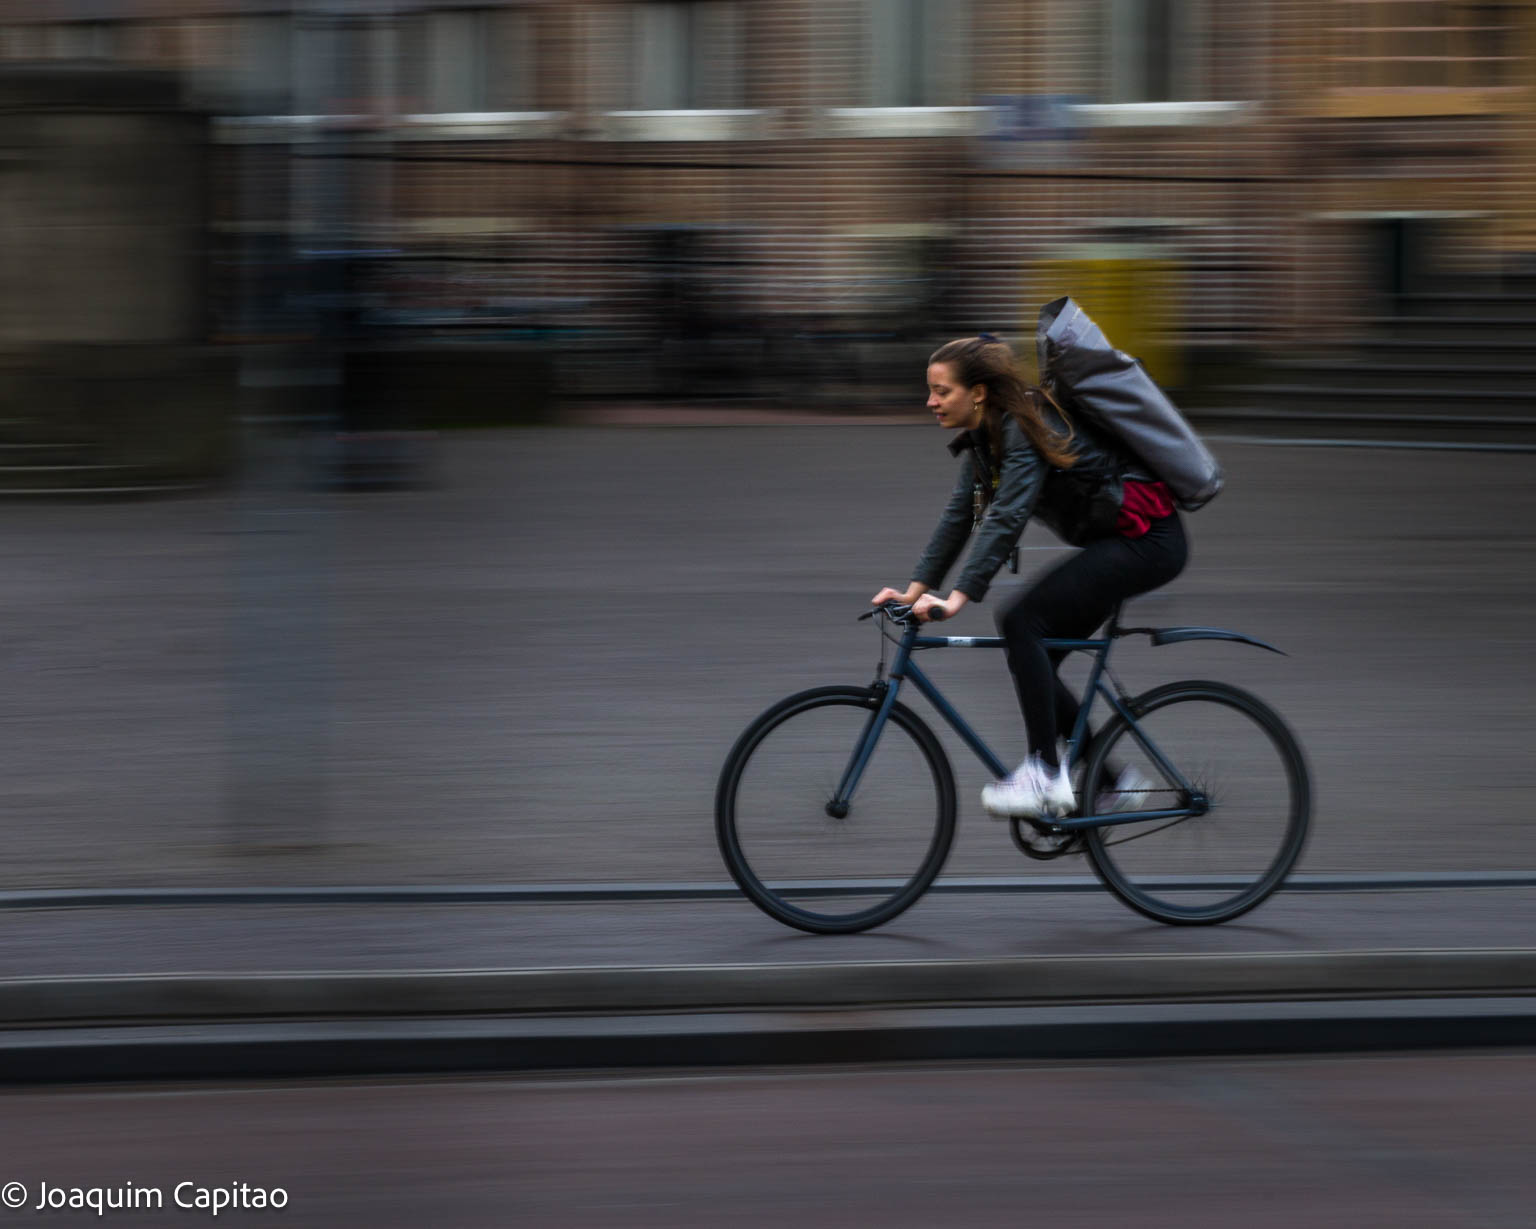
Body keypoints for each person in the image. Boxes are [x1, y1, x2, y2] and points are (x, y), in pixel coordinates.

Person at [870, 333, 1188, 835]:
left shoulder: (1022, 425)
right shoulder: (984, 441)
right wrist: (913, 591)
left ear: (977, 392)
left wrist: (957, 597)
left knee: (1021, 620)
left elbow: (1008, 515)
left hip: (1148, 541)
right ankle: (1112, 782)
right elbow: (961, 517)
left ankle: (1043, 774)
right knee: (1036, 657)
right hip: (1123, 543)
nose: (930, 401)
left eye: (940, 390)